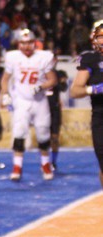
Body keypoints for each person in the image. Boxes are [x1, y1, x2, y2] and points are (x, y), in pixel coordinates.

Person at [0, 28, 57, 182]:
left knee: (43, 133)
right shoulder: (13, 57)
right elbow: (5, 79)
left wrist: (41, 86)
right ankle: (17, 166)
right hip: (22, 101)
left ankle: (45, 164)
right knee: (19, 134)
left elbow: (53, 79)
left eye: (29, 43)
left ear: (34, 43)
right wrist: (5, 94)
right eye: (23, 43)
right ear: (18, 43)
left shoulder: (43, 57)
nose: (26, 46)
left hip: (39, 101)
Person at [70, 20, 103, 187]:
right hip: (100, 116)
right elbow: (75, 91)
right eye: (101, 37)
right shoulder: (90, 59)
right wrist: (94, 89)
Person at [47, 56, 68, 170]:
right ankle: (45, 162)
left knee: (55, 137)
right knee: (44, 137)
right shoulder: (41, 73)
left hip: (54, 108)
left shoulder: (60, 73)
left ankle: (53, 162)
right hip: (43, 108)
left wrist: (55, 81)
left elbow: (63, 87)